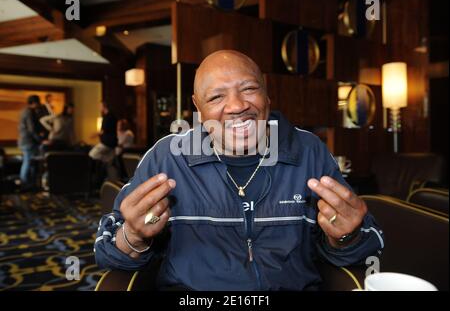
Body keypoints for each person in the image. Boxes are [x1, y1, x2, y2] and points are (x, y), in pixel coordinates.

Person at [95, 50, 384, 290]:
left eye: (248, 89)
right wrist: (133, 235)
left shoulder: (309, 151)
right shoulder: (168, 157)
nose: (236, 106)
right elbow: (108, 253)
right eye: (216, 97)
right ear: (198, 107)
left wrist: (345, 237)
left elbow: (367, 247)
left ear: (267, 95)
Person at [18, 95, 44, 189]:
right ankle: (24, 184)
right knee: (28, 162)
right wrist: (40, 140)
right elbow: (32, 129)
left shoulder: (25, 111)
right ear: (33, 103)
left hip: (25, 141)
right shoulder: (29, 112)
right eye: (37, 103)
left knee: (30, 163)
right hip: (28, 141)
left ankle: (29, 184)